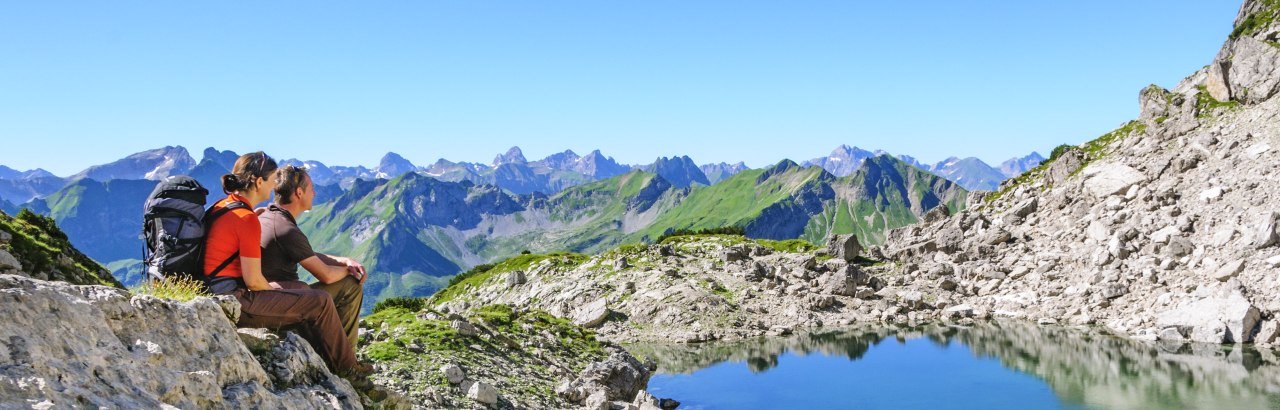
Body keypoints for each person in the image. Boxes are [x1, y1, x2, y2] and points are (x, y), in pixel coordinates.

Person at [202, 151, 368, 377]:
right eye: (271, 181)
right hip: (233, 300)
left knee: (302, 291)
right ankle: (350, 372)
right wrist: (282, 296)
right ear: (258, 181)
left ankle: (335, 356)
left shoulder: (226, 206)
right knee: (319, 301)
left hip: (215, 293)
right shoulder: (247, 218)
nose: (273, 188)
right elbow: (254, 281)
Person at [259, 165, 366, 348]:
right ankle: (345, 360)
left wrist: (343, 260)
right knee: (350, 285)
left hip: (270, 297)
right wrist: (350, 271)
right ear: (299, 192)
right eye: (312, 189)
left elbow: (303, 252)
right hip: (280, 303)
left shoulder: (268, 215)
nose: (315, 194)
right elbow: (327, 275)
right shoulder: (286, 229)